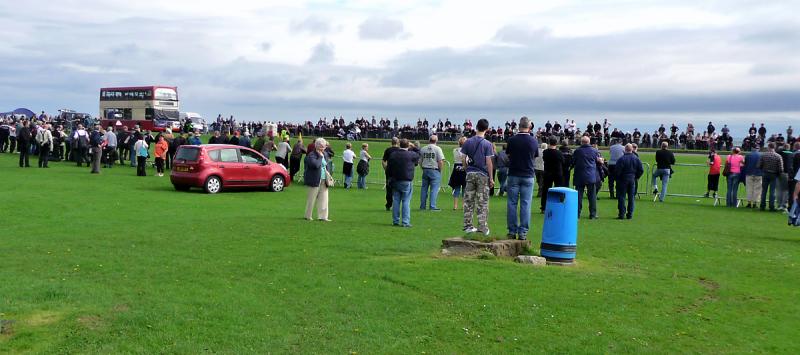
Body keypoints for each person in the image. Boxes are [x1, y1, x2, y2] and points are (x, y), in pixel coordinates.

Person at [505, 116, 539, 238]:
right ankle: (523, 231)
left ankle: (512, 231)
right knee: (526, 204)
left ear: (519, 126)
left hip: (514, 173)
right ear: (529, 127)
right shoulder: (534, 141)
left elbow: (508, 154)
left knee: (512, 203)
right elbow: (534, 156)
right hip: (528, 174)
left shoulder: (512, 140)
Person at [462, 118, 495, 236]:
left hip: (470, 173)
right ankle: (482, 226)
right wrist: (491, 178)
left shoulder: (468, 142)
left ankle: (467, 225)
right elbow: (489, 162)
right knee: (482, 201)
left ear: (476, 127)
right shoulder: (487, 144)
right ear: (487, 129)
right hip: (482, 174)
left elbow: (463, 158)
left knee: (468, 200)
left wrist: (466, 169)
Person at [387, 139, 420, 227]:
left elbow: (389, 167)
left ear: (399, 144)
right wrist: (414, 147)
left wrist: (389, 178)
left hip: (395, 179)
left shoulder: (393, 154)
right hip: (406, 179)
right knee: (406, 201)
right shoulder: (411, 154)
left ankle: (395, 220)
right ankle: (405, 222)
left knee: (396, 201)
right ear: (408, 145)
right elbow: (419, 154)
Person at [573, 136, 602, 219]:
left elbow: (573, 161)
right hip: (591, 176)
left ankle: (577, 214)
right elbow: (599, 162)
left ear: (581, 142)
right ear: (589, 142)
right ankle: (592, 214)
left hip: (579, 176)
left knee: (578, 197)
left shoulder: (577, 151)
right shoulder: (594, 151)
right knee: (592, 197)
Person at [303, 138, 331, 221]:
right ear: (317, 146)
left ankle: (323, 217)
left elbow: (326, 165)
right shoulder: (312, 155)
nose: (323, 148)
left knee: (324, 199)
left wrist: (328, 174)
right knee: (311, 198)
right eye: (321, 146)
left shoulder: (325, 154)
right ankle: (308, 215)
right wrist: (319, 157)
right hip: (314, 179)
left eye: (324, 146)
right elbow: (315, 165)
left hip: (323, 179)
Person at [614, 144, 644, 219]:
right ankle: (630, 214)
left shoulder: (621, 159)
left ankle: (621, 214)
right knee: (631, 197)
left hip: (622, 179)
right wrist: (636, 177)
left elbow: (617, 171)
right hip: (632, 179)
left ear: (625, 150)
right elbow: (641, 170)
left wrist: (617, 178)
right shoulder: (636, 158)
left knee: (621, 197)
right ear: (632, 149)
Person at [419, 135, 445, 210]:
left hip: (425, 169)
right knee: (434, 189)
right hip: (434, 169)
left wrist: (422, 168)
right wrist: (440, 170)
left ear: (429, 140)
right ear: (436, 141)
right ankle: (432, 206)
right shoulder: (438, 149)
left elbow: (420, 161)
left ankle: (422, 206)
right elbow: (440, 161)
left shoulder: (423, 148)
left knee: (424, 189)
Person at [758, 142, 784, 211]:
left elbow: (759, 165)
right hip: (774, 174)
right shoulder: (778, 156)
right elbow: (781, 169)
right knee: (772, 191)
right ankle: (771, 206)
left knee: (764, 191)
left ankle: (762, 206)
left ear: (769, 147)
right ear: (774, 147)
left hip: (765, 173)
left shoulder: (763, 155)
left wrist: (763, 169)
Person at [541, 137, 564, 212]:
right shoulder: (559, 153)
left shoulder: (545, 152)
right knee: (559, 189)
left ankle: (543, 207)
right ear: (556, 143)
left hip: (548, 172)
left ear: (549, 143)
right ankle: (558, 205)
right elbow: (563, 162)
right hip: (557, 172)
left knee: (546, 190)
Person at [382, 137, 401, 211]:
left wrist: (385, 168)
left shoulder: (388, 150)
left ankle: (389, 204)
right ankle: (397, 205)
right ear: (398, 142)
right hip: (398, 172)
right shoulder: (400, 150)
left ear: (391, 142)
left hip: (389, 172)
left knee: (389, 188)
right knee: (397, 188)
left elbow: (383, 161)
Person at [448, 137, 467, 210]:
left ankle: (455, 206)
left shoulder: (454, 150)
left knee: (457, 188)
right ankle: (463, 205)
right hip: (463, 167)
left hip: (456, 168)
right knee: (465, 188)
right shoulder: (466, 151)